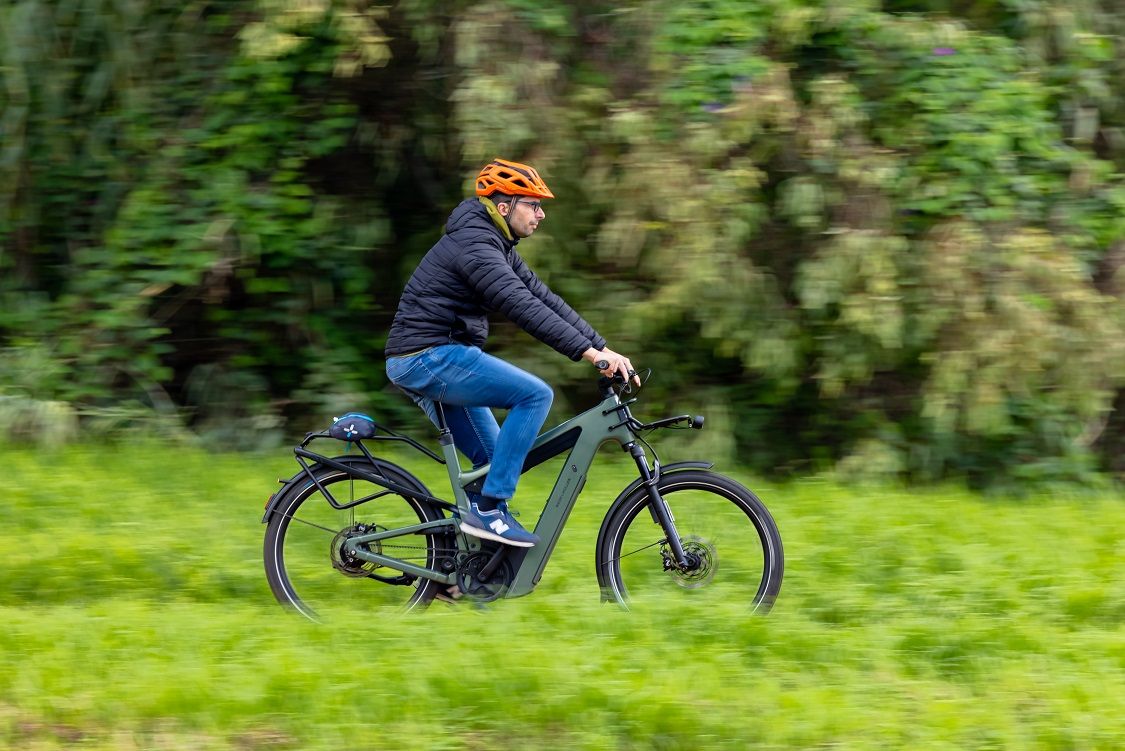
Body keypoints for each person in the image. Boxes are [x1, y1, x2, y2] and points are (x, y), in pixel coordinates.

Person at [384, 158, 639, 547]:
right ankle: (489, 512)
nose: (541, 214)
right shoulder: (475, 247)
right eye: (533, 205)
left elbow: (542, 297)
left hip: (436, 356)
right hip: (426, 356)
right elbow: (523, 307)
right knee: (534, 395)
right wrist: (589, 355)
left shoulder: (494, 243)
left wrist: (601, 346)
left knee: (492, 463)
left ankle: (468, 563)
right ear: (504, 206)